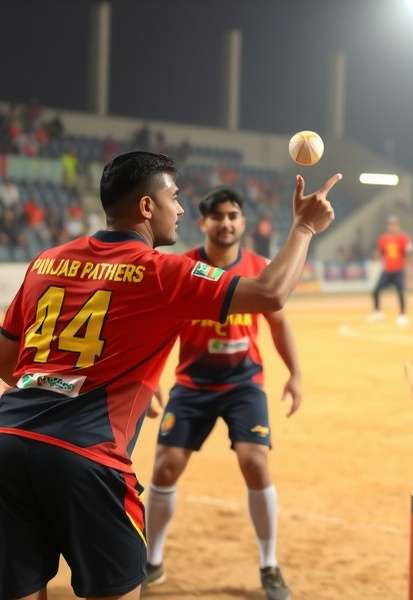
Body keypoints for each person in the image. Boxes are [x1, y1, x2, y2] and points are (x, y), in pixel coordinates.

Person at [0, 151, 339, 600]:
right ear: (147, 206)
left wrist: (75, 381)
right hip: (88, 457)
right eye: (174, 198)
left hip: (7, 442)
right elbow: (271, 293)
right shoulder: (161, 271)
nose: (179, 209)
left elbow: (7, 363)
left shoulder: (46, 260)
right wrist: (304, 228)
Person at [143, 189, 301, 599]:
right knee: (165, 468)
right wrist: (149, 378)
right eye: (218, 216)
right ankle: (152, 560)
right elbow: (158, 326)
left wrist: (295, 374)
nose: (226, 223)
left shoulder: (259, 268)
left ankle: (269, 565)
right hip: (193, 383)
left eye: (233, 215)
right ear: (204, 223)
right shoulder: (183, 268)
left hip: (243, 383)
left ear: (243, 222)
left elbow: (279, 325)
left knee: (255, 462)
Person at [370, 216, 413, 326]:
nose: (392, 226)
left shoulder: (404, 238)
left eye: (394, 224)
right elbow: (380, 252)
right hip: (387, 270)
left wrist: (408, 269)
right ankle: (377, 312)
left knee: (401, 292)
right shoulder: (383, 238)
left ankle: (403, 315)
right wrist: (375, 256)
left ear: (398, 225)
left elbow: (408, 254)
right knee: (376, 290)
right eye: (390, 224)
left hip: (399, 270)